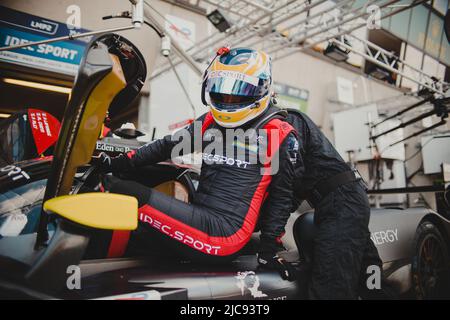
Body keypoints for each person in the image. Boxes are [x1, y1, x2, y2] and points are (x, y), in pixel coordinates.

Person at [95, 47, 298, 281]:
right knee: (119, 181)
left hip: (225, 235)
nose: (229, 99)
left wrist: (268, 253)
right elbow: (165, 146)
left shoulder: (279, 133)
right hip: (199, 217)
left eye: (239, 92)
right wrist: (116, 163)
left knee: (125, 193)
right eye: (221, 90)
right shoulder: (211, 121)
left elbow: (282, 198)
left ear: (262, 89)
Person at [285, 108, 387, 299]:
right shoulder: (289, 123)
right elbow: (295, 191)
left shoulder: (287, 123)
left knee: (331, 288)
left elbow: (288, 185)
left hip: (341, 201)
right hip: (347, 198)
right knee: (370, 278)